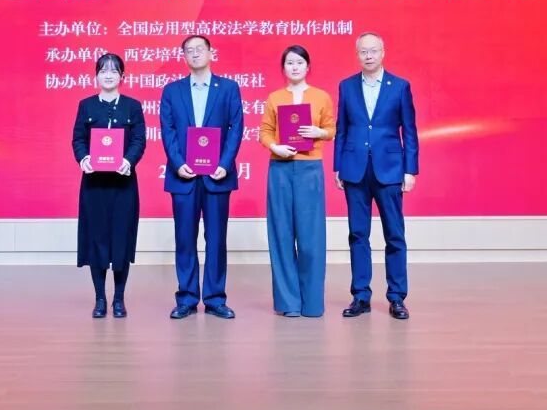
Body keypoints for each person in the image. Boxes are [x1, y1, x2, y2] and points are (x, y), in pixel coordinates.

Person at [334, 32, 419, 320]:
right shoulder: (346, 86)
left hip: (390, 169)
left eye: (373, 51)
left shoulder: (400, 86)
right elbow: (342, 129)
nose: (368, 56)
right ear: (357, 54)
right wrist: (338, 166)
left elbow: (409, 131)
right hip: (355, 170)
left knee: (394, 235)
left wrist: (410, 170)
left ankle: (397, 297)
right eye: (363, 51)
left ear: (383, 53)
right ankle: (361, 296)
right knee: (358, 235)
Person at [159, 35, 244, 320]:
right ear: (183, 56)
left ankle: (215, 298)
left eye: (199, 49)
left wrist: (225, 163)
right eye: (189, 50)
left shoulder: (228, 88)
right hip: (183, 176)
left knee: (216, 239)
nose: (195, 54)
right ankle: (186, 298)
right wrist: (178, 163)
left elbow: (236, 128)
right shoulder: (172, 91)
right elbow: (168, 130)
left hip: (217, 175)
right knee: (185, 239)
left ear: (211, 52)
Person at [259, 45, 336, 318]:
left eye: (299, 62)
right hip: (280, 168)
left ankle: (312, 303)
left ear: (308, 66)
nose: (294, 67)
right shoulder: (274, 98)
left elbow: (332, 129)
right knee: (281, 234)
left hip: (309, 169)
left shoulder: (321, 97)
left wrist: (319, 132)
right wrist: (275, 147)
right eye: (290, 63)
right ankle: (288, 303)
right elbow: (265, 131)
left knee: (310, 237)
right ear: (283, 68)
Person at [71, 53, 146, 319]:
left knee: (121, 239)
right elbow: (78, 139)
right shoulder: (86, 106)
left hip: (124, 184)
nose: (109, 75)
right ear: (96, 76)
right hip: (94, 185)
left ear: (122, 76)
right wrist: (84, 158)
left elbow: (139, 139)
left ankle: (119, 299)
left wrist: (128, 161)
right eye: (103, 71)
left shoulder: (132, 106)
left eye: (114, 71)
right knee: (97, 239)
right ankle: (100, 298)